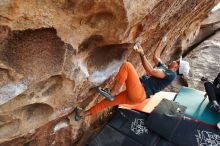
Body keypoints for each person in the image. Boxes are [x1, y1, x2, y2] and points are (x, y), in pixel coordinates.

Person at [74, 39, 190, 121]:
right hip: (137, 96)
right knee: (107, 103)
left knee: (127, 66)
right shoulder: (166, 69)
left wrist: (142, 54)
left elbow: (151, 71)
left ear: (177, 67)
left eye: (177, 61)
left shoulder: (171, 74)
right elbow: (156, 57)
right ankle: (82, 115)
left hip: (140, 92)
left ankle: (112, 92)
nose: (175, 60)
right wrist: (162, 41)